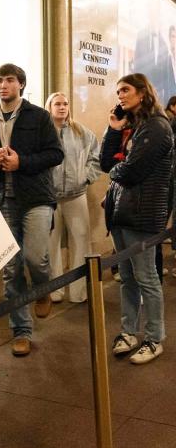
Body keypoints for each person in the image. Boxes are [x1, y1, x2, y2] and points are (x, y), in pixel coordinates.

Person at [0, 63, 63, 357]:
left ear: (21, 84)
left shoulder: (39, 116)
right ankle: (21, 331)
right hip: (2, 200)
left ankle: (42, 288)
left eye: (9, 80)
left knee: (36, 258)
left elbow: (55, 154)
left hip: (36, 198)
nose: (3, 85)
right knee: (11, 269)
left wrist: (21, 162)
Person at [100, 73, 174, 365]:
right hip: (121, 211)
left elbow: (130, 172)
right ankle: (129, 332)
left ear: (143, 93)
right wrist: (113, 130)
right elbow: (107, 162)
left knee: (146, 278)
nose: (120, 95)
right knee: (127, 277)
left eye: (126, 90)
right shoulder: (133, 127)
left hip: (142, 214)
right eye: (118, 91)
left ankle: (155, 338)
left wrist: (119, 169)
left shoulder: (156, 127)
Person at [45, 92, 100, 304]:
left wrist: (85, 179)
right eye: (57, 103)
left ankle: (79, 292)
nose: (62, 107)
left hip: (76, 196)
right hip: (49, 197)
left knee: (81, 241)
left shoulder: (81, 132)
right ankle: (55, 291)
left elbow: (96, 157)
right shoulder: (43, 133)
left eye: (65, 103)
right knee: (51, 245)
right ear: (49, 107)